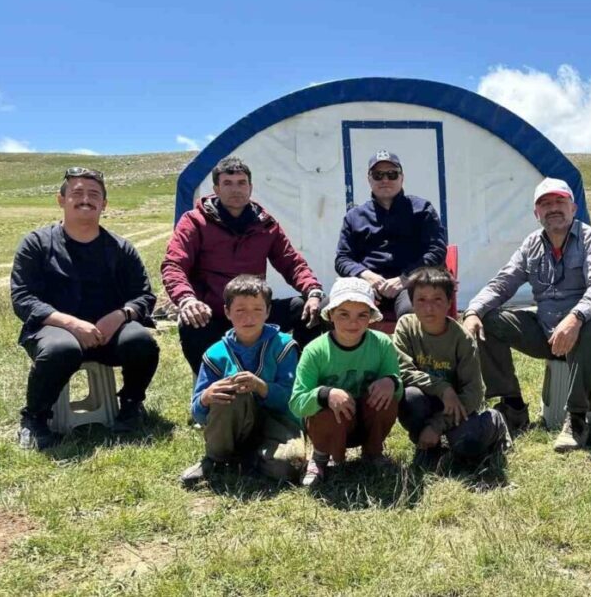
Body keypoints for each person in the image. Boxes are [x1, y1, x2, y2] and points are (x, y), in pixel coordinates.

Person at [463, 178, 591, 452]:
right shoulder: (531, 245)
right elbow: (503, 283)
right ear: (537, 214)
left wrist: (576, 317)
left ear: (573, 207)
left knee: (588, 327)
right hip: (548, 331)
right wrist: (473, 311)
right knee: (488, 321)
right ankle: (512, 407)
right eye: (545, 204)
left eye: (560, 202)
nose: (553, 209)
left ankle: (577, 419)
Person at [10, 167, 159, 450]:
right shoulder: (37, 244)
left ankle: (130, 405)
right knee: (61, 349)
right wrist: (70, 323)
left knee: (141, 341)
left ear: (104, 204)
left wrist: (121, 315)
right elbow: (23, 297)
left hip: (109, 335)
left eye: (94, 194)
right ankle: (35, 420)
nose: (85, 200)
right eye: (77, 193)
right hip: (54, 330)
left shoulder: (120, 248)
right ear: (61, 199)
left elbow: (143, 295)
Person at [162, 156, 324, 375]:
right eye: (227, 183)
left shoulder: (265, 224)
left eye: (241, 183)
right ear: (216, 189)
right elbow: (174, 264)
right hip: (214, 312)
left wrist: (312, 290)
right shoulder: (194, 222)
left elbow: (291, 262)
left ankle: (298, 380)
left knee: (309, 309)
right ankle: (211, 391)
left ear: (250, 187)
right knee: (192, 323)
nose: (235, 189)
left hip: (255, 310)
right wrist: (187, 299)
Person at [180, 275, 305, 487]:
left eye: (257, 309)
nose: (249, 317)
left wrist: (262, 387)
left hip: (278, 422)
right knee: (226, 392)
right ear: (227, 312)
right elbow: (197, 412)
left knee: (287, 467)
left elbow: (294, 401)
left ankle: (248, 457)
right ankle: (216, 459)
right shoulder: (215, 354)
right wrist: (206, 398)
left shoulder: (284, 346)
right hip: (233, 425)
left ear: (268, 311)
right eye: (240, 310)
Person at [289, 277, 402, 487]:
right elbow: (297, 403)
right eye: (344, 314)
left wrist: (391, 382)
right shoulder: (315, 350)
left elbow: (398, 389)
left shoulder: (383, 344)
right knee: (323, 408)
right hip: (331, 424)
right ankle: (321, 457)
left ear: (371, 317)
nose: (353, 322)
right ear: (330, 314)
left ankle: (373, 453)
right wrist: (325, 394)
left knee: (386, 398)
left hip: (365, 419)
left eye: (362, 315)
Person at [393, 266, 511, 468]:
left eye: (437, 299)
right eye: (421, 300)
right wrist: (442, 388)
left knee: (468, 446)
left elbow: (473, 393)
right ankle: (428, 446)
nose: (429, 307)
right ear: (411, 302)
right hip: (426, 399)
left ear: (449, 303)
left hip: (458, 407)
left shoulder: (462, 339)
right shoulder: (406, 326)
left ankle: (494, 421)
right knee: (408, 397)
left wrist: (437, 424)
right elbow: (402, 371)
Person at [334, 150, 447, 320]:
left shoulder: (422, 210)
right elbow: (342, 259)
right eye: (378, 175)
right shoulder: (354, 216)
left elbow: (436, 251)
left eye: (392, 174)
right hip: (366, 286)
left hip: (411, 285)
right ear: (369, 179)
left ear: (402, 178)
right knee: (329, 308)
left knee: (412, 313)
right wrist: (366, 275)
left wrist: (406, 278)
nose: (385, 180)